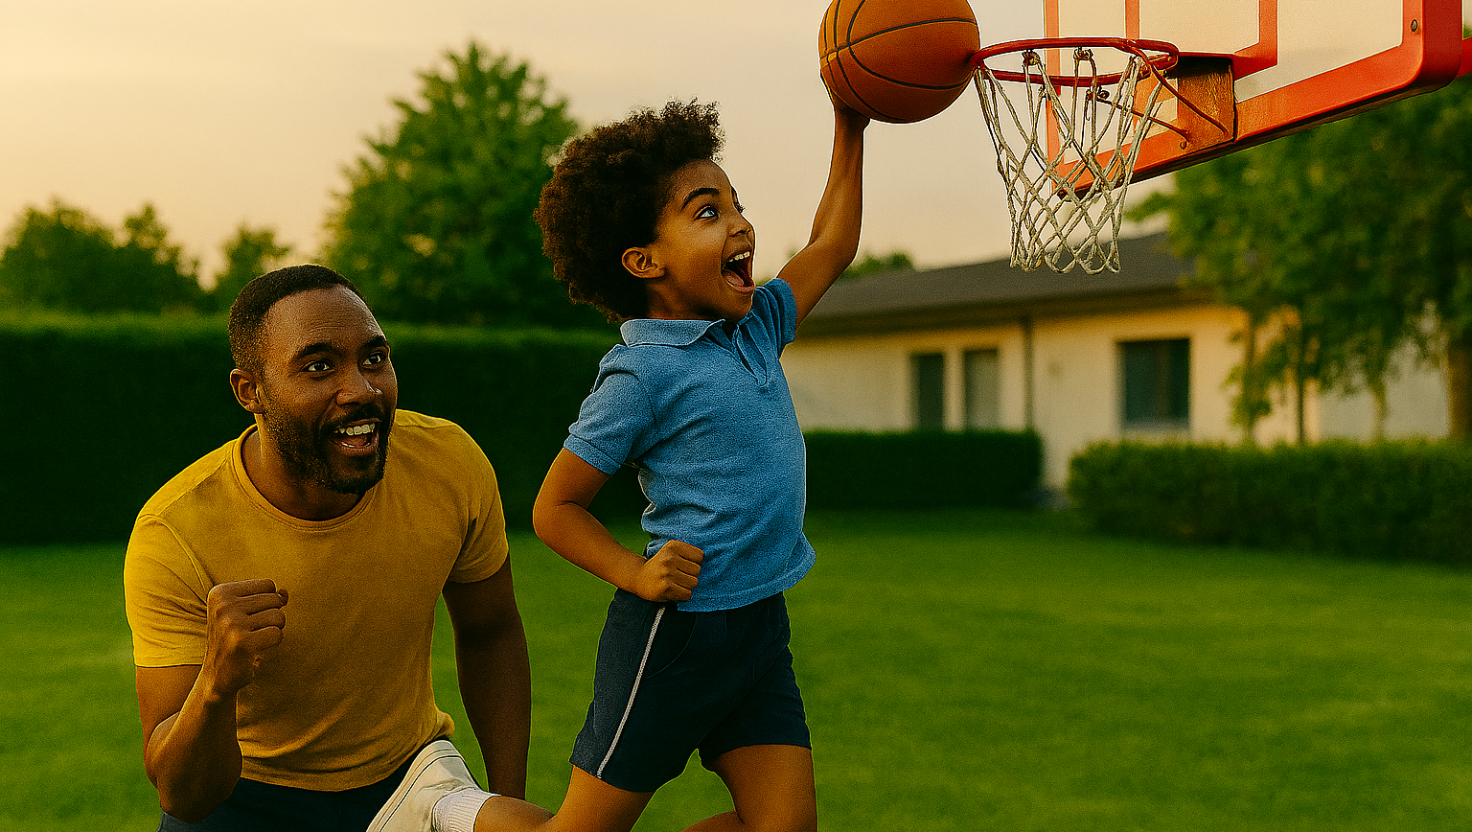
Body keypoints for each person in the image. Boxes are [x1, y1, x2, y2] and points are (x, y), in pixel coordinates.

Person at [379, 97, 868, 832]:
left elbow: (831, 242)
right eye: (707, 213)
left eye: (738, 205)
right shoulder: (641, 374)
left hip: (759, 628)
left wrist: (850, 127)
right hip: (675, 641)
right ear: (644, 261)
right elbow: (554, 509)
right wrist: (635, 573)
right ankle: (444, 811)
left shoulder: (759, 324)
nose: (739, 224)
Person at [123, 265, 533, 832]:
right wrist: (216, 685)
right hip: (246, 796)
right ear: (251, 392)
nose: (362, 388)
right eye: (319, 367)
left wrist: (504, 795)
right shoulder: (175, 531)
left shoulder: (449, 463)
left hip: (410, 777)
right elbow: (184, 796)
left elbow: (491, 631)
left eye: (374, 358)